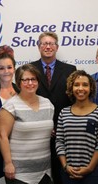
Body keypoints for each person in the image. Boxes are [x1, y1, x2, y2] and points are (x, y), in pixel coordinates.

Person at [30, 31, 77, 184]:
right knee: (39, 177)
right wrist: (44, 125)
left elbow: (73, 101)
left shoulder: (70, 70)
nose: (48, 47)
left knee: (61, 175)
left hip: (63, 132)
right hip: (37, 132)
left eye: (51, 44)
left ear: (57, 47)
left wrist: (60, 126)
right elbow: (27, 101)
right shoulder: (30, 69)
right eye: (44, 43)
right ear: (38, 47)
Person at [0, 64, 54, 184]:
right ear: (19, 83)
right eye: (25, 80)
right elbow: (2, 136)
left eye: (33, 79)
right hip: (19, 173)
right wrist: (8, 164)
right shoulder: (10, 106)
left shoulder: (48, 104)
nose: (30, 83)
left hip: (44, 171)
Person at [56, 70, 98, 184]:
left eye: (85, 85)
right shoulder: (64, 113)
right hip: (68, 174)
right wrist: (65, 166)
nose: (81, 88)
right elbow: (59, 141)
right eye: (76, 85)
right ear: (71, 88)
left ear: (91, 88)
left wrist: (89, 168)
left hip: (93, 174)